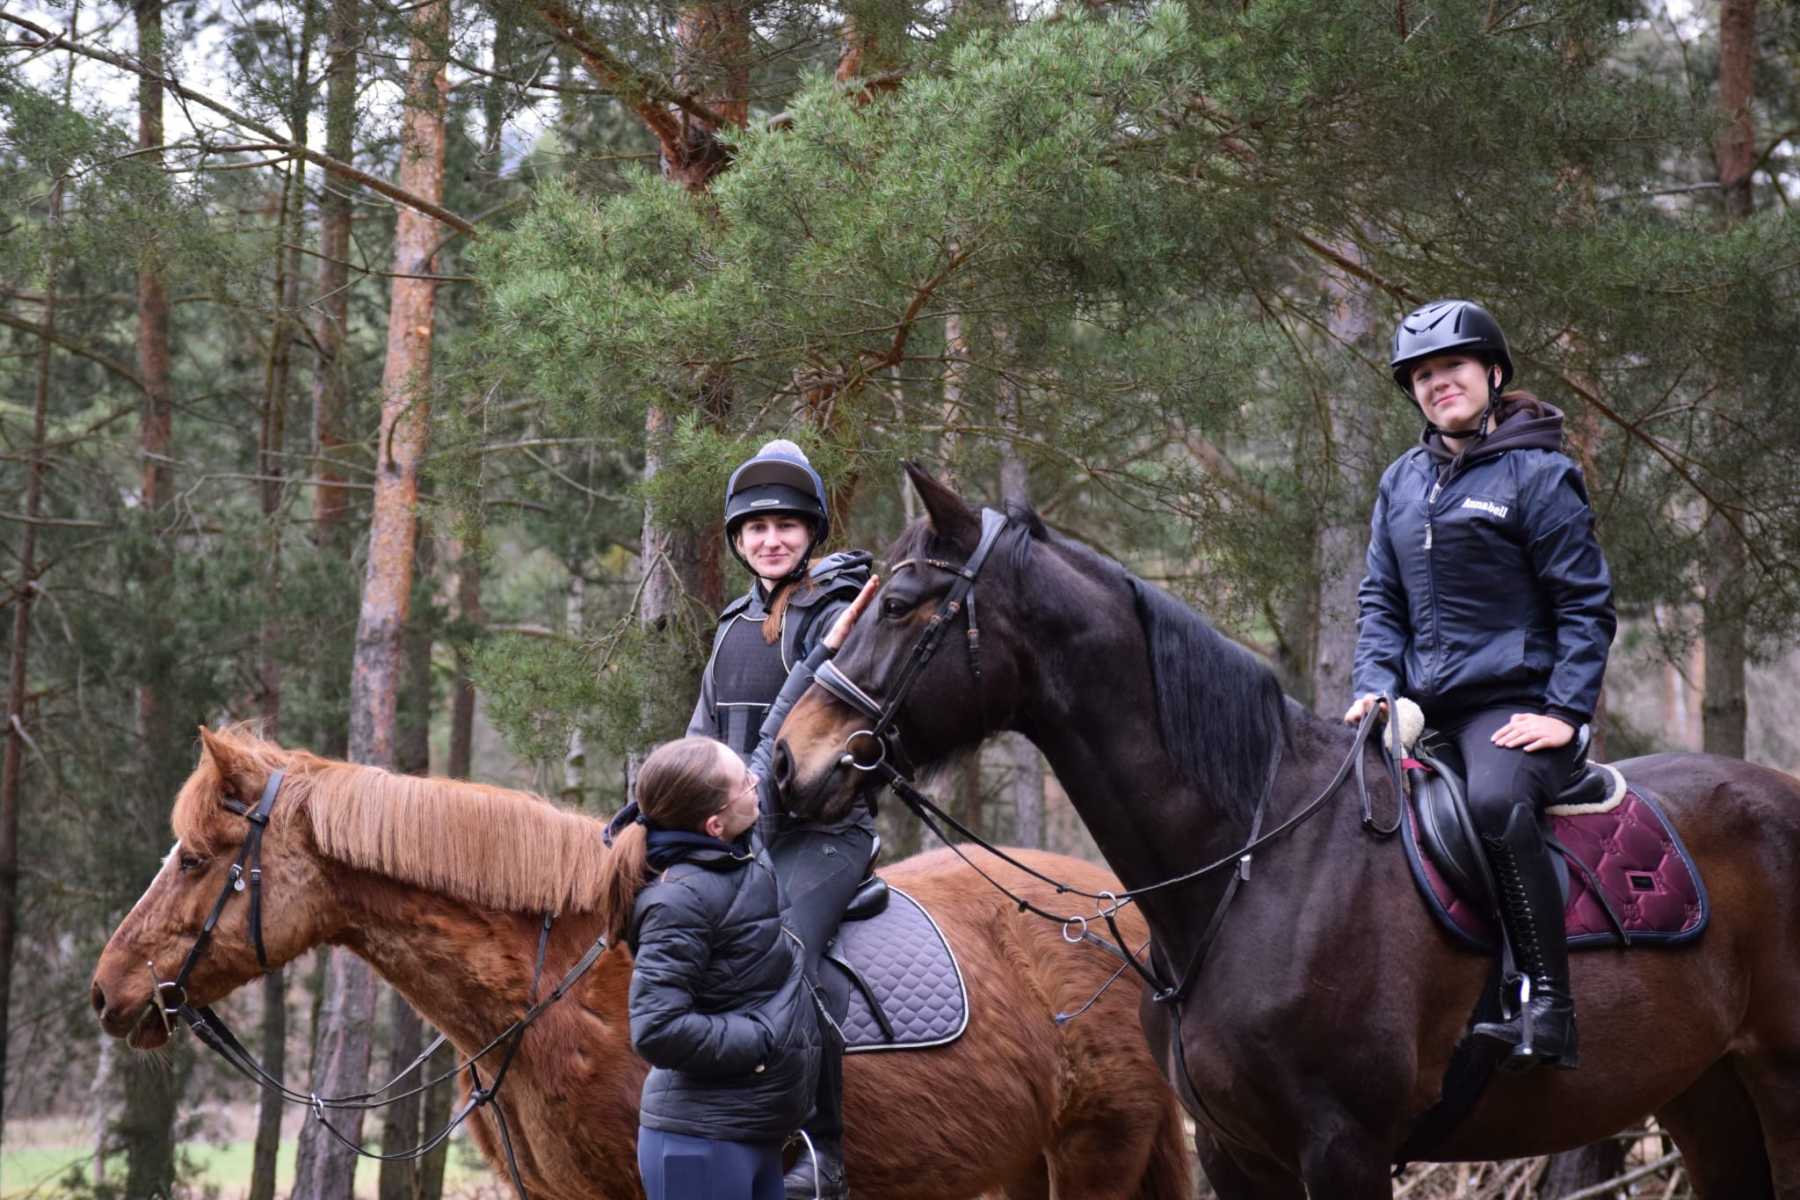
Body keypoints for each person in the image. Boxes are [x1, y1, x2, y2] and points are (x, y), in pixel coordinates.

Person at [1345, 299, 1616, 1071]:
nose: (1439, 384)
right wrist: (1376, 685)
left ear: (1493, 374)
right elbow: (1381, 602)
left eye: (1453, 367)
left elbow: (1585, 606)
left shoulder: (1540, 474)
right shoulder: (1401, 482)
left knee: (1495, 803)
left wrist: (1564, 711)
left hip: (1516, 707)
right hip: (1422, 711)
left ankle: (1549, 1007)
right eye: (1422, 376)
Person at [692, 439, 878, 1199]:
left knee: (788, 950)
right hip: (738, 833)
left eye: (787, 525)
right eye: (757, 527)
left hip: (823, 834)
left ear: (812, 532)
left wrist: (746, 812)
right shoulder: (732, 624)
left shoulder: (840, 614)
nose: (771, 539)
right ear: (738, 540)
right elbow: (702, 735)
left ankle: (820, 1148)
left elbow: (815, 744)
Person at [597, 736, 823, 1200]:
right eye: (744, 783)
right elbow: (657, 1028)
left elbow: (768, 753)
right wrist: (759, 1040)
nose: (756, 781)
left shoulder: (738, 846)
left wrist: (814, 673)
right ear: (714, 824)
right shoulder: (678, 901)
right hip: (701, 1145)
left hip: (751, 1130)